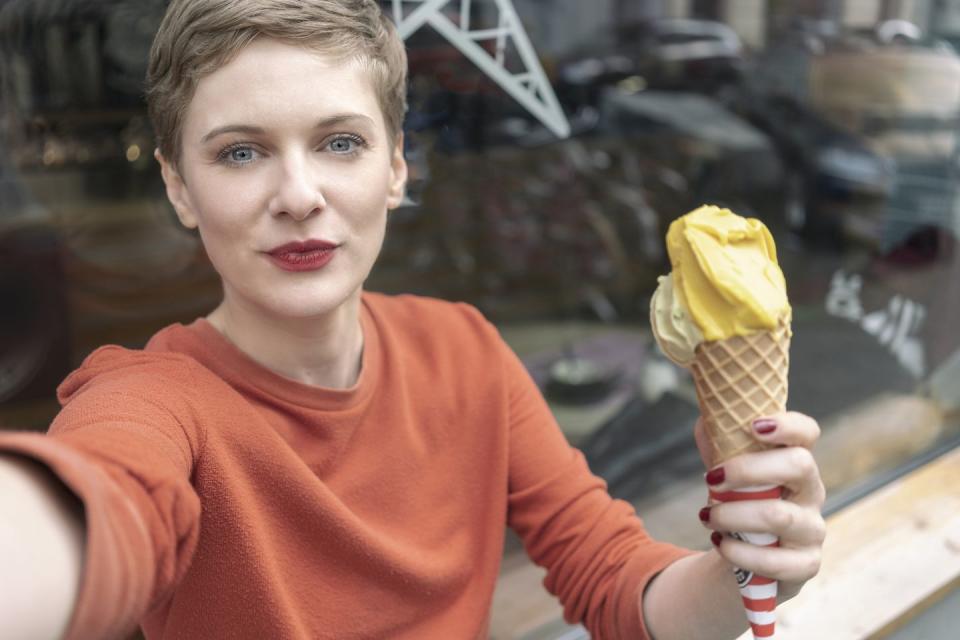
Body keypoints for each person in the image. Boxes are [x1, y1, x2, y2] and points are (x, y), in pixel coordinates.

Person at [0, 1, 826, 638]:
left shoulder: (463, 350)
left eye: (340, 143)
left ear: (396, 167)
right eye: (240, 152)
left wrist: (746, 574)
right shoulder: (150, 399)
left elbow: (609, 575)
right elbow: (98, 500)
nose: (298, 195)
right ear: (180, 186)